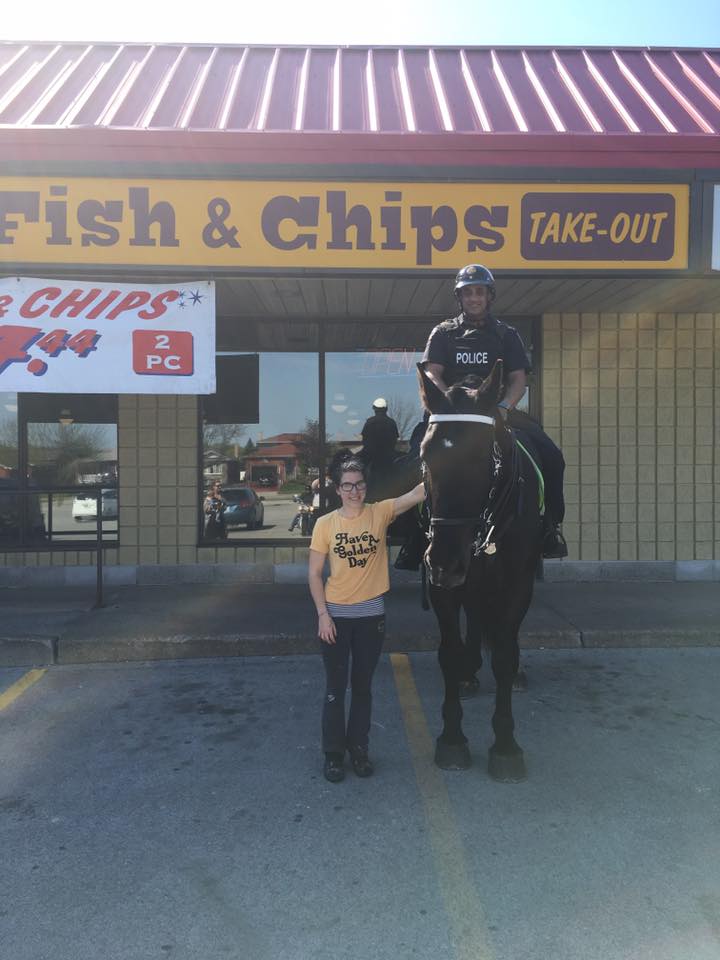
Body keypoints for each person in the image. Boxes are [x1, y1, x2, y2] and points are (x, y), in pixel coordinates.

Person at [406, 263, 567, 561]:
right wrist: (448, 404)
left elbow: (518, 379)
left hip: (496, 413)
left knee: (553, 457)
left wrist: (504, 407)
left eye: (479, 292)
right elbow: (432, 373)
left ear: (489, 296)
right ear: (460, 297)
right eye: (467, 293)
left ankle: (550, 528)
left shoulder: (506, 334)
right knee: (412, 460)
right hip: (450, 417)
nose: (474, 298)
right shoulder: (443, 333)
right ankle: (416, 537)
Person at [308, 458, 424, 783]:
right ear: (337, 489)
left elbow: (417, 494)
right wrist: (323, 615)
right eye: (347, 485)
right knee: (335, 689)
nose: (354, 491)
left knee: (362, 689)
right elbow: (314, 574)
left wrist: (447, 458)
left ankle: (359, 750)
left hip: (371, 618)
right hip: (335, 618)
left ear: (365, 486)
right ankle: (333, 755)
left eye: (359, 484)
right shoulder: (325, 524)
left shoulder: (379, 512)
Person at [360, 398, 399, 469]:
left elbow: (364, 440)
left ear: (374, 409)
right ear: (386, 409)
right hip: (389, 457)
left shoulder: (370, 422)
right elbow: (395, 440)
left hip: (370, 456)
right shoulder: (392, 422)